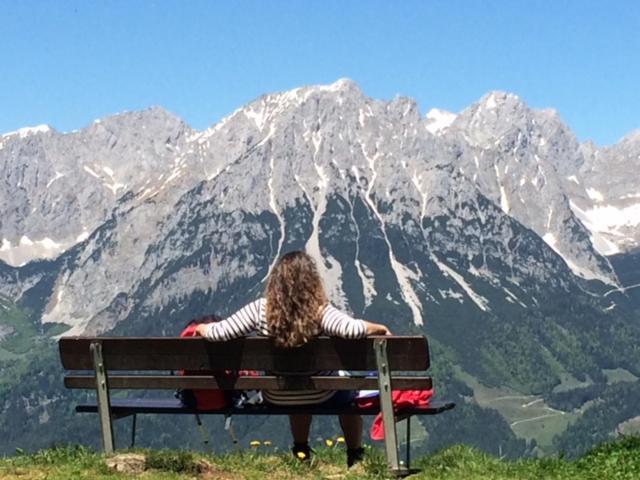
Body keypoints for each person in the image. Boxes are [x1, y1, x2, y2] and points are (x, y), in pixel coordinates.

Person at [195, 250, 391, 467]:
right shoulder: (319, 312)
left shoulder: (260, 309)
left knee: (293, 386)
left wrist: (202, 327)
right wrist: (379, 328)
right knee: (346, 389)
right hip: (322, 394)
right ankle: (355, 454)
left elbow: (219, 333)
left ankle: (301, 449)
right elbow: (351, 330)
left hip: (275, 395)